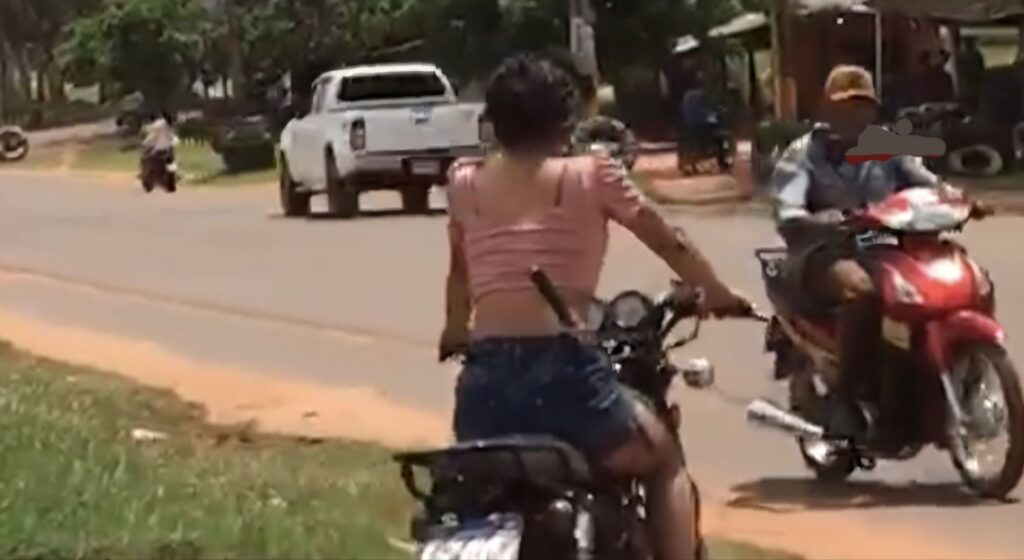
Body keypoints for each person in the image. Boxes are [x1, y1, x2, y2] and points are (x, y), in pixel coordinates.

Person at [439, 55, 749, 560]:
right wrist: (716, 292)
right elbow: (667, 240)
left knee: (478, 486)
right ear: (567, 122)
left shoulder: (463, 181)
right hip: (567, 379)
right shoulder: (592, 173)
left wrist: (455, 331)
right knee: (664, 458)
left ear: (492, 122)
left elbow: (460, 273)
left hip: (484, 386)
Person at [769, 65, 945, 438]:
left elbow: (927, 183)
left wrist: (957, 199)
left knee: (937, 284)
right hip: (823, 253)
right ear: (827, 110)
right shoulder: (803, 155)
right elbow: (788, 210)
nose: (856, 115)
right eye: (846, 106)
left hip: (887, 248)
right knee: (862, 292)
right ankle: (844, 398)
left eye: (863, 106)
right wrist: (816, 219)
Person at [957, 37, 986, 111]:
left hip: (966, 86)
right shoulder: (977, 55)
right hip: (975, 84)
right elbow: (982, 68)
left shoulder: (961, 56)